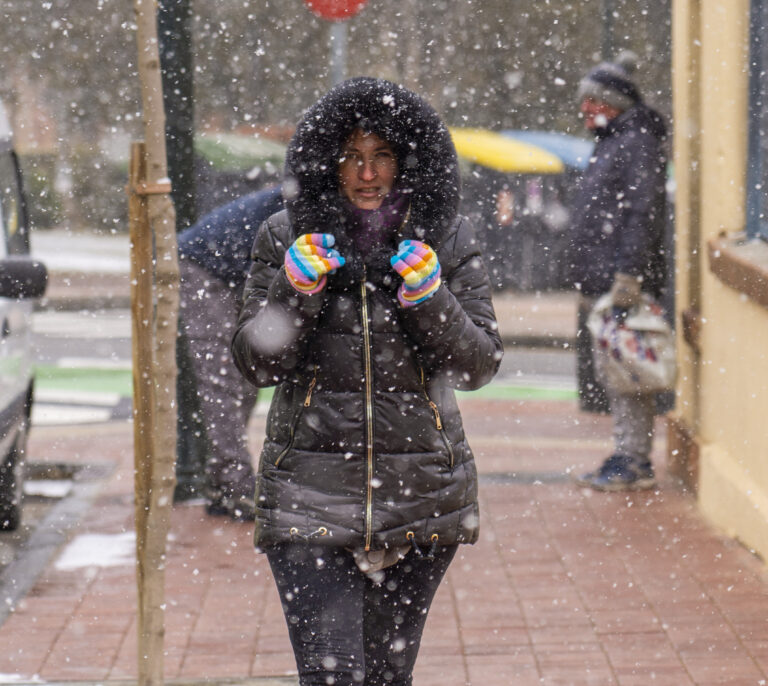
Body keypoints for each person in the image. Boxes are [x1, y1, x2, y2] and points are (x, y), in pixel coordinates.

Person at [231, 77, 502, 685]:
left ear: (407, 161)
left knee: (386, 679)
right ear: (327, 161)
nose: (367, 173)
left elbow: (479, 364)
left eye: (381, 155)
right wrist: (294, 292)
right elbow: (257, 362)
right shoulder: (284, 236)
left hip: (422, 497)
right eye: (351, 155)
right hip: (309, 498)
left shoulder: (446, 236)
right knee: (333, 677)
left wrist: (430, 299)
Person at [568, 52, 669, 491]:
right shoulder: (615, 142)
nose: (586, 110)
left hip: (620, 281)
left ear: (613, 103)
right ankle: (627, 452)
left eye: (593, 101)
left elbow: (643, 213)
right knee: (616, 370)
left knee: (628, 371)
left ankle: (634, 460)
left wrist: (628, 275)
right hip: (604, 277)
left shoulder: (636, 142)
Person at [177, 186, 284, 520]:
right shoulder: (300, 203)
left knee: (244, 378)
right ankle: (234, 485)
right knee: (221, 379)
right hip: (206, 267)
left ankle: (225, 483)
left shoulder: (303, 197)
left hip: (236, 271)